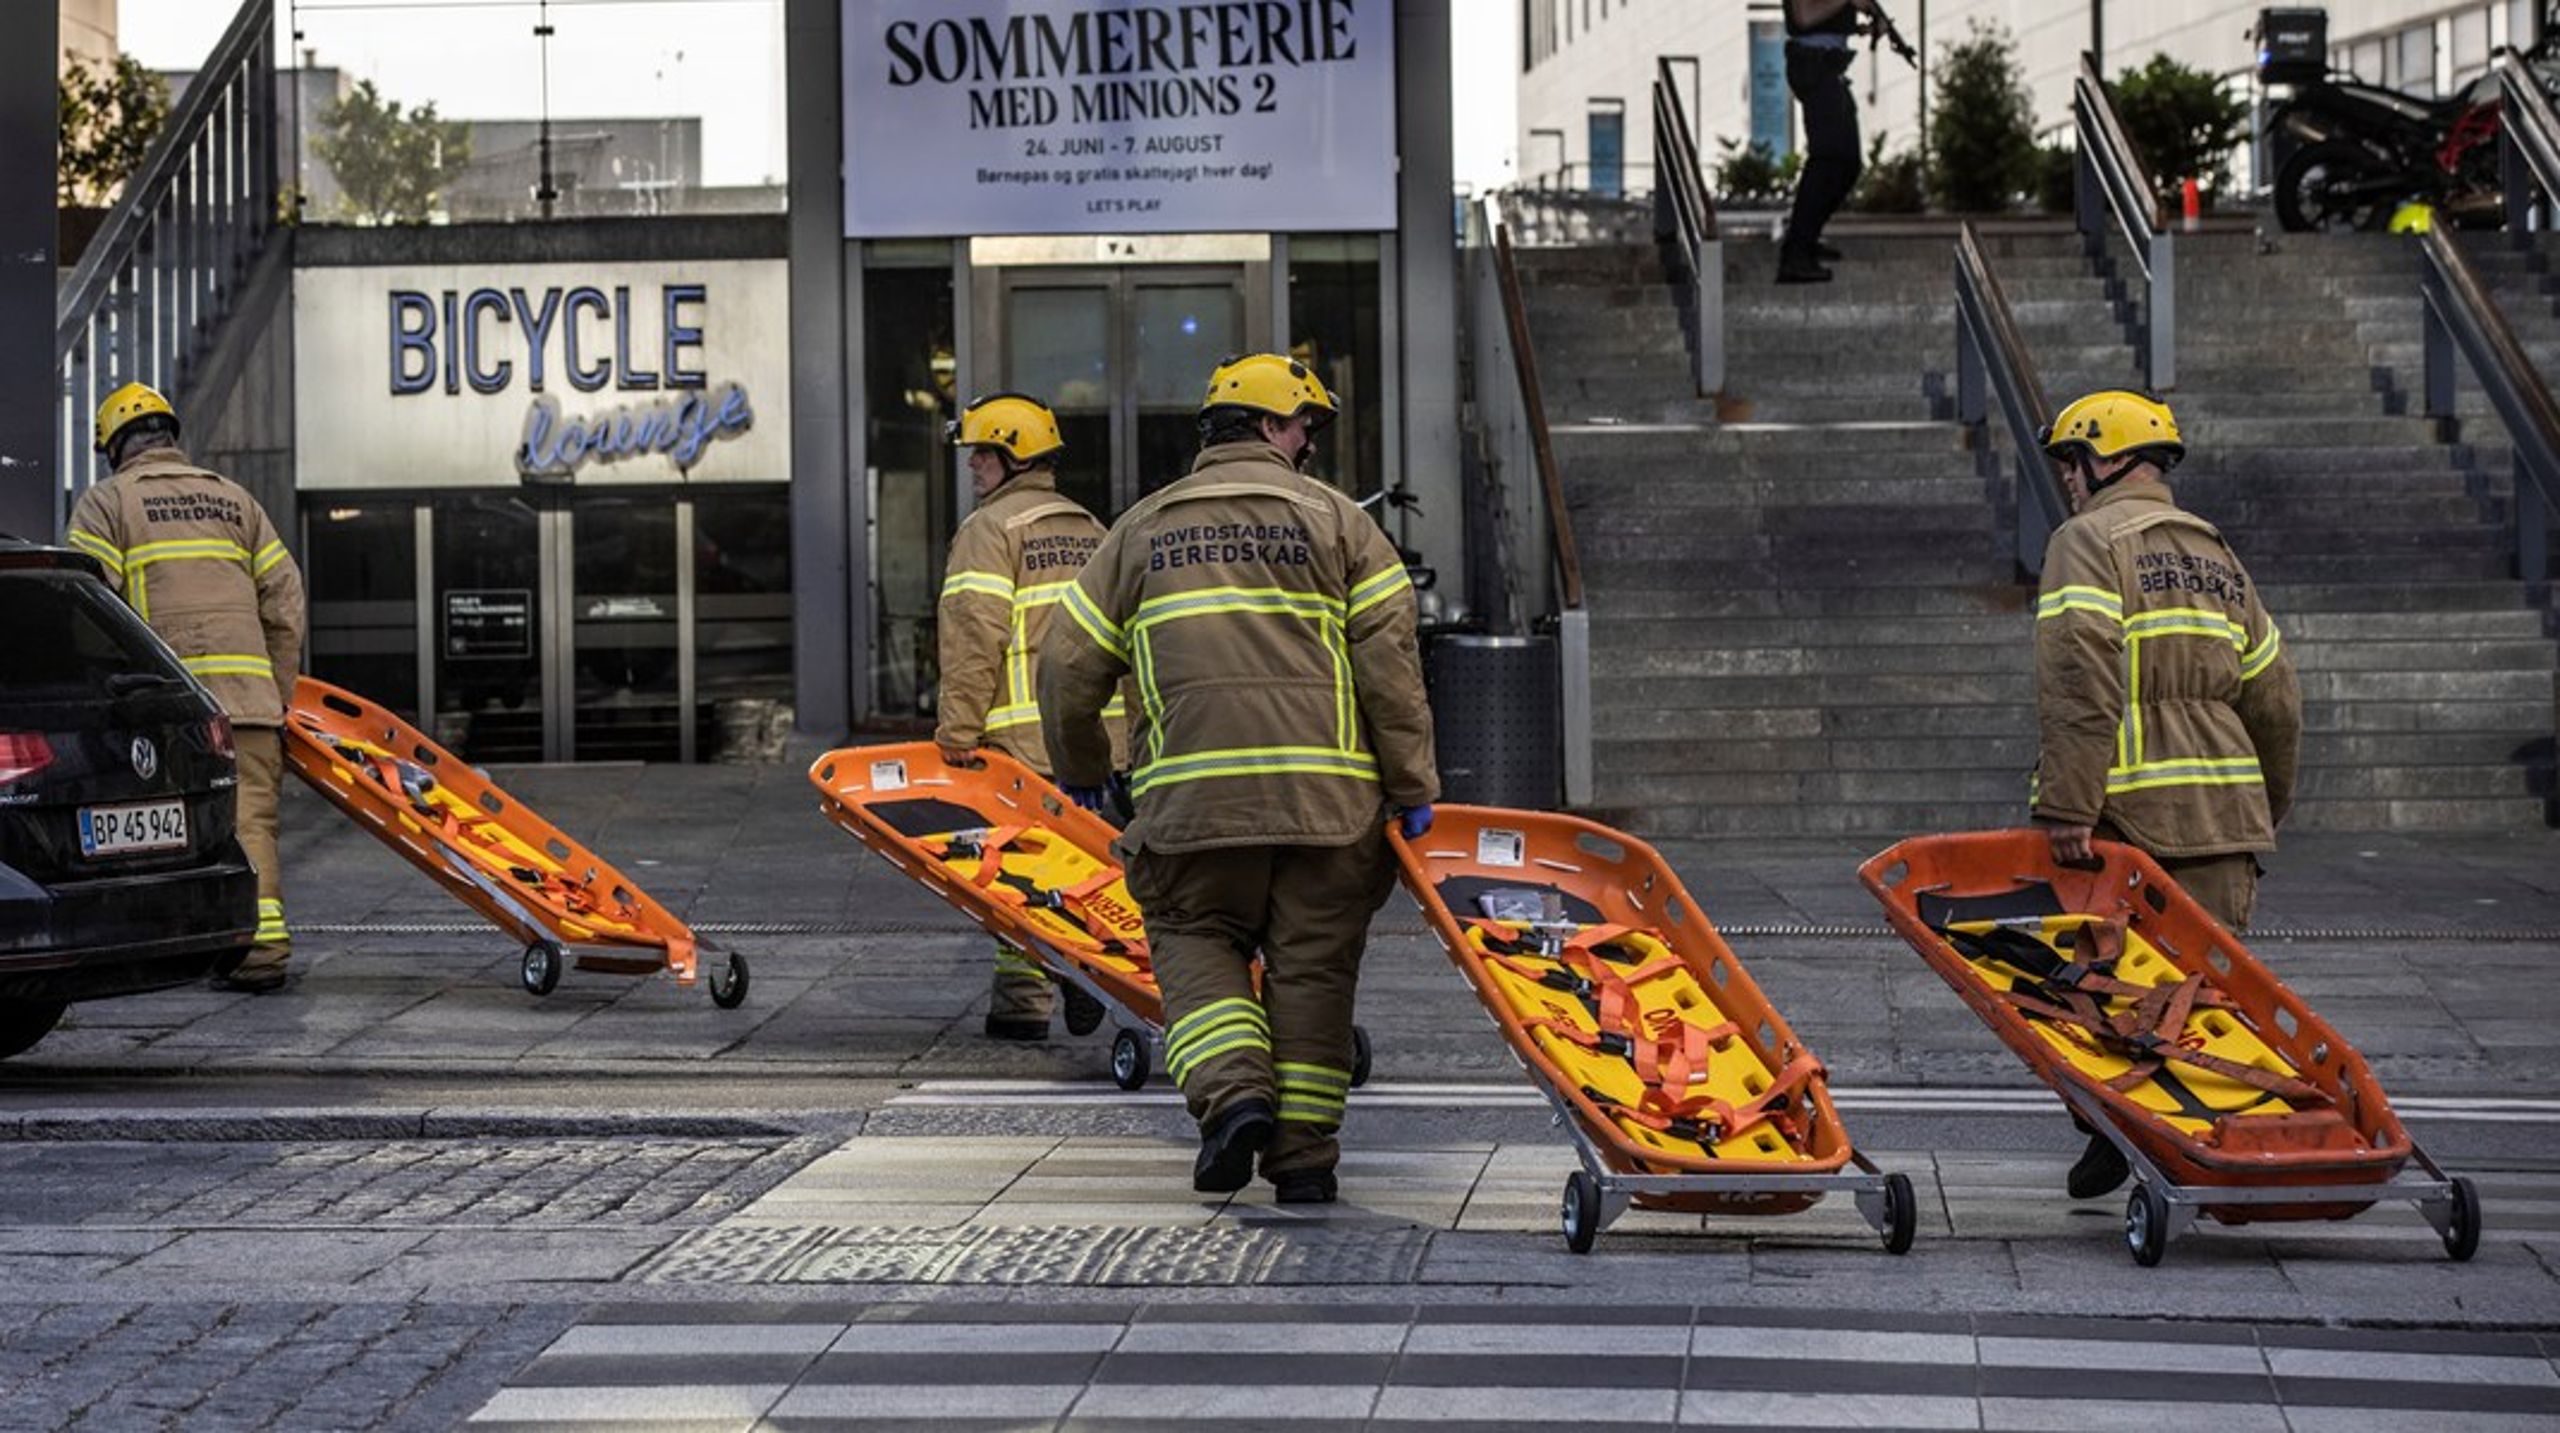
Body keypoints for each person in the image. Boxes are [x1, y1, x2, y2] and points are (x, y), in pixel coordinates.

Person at [1039, 354, 1437, 1205]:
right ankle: (1303, 1161)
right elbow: (1391, 668)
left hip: (1192, 812)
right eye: (1303, 427)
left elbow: (1067, 665)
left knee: (1192, 942)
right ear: (1266, 425)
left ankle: (1234, 1097)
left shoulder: (1139, 531)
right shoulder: (1341, 525)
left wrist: (1083, 770)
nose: (1309, 446)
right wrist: (1411, 787)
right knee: (1314, 973)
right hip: (1329, 814)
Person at [2030, 389, 2303, 1198]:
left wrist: (2071, 806)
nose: (2068, 481)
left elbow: (2081, 677)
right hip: (2225, 823)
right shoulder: (2216, 555)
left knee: (2088, 995)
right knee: (2202, 1004)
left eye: (2071, 462)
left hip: (2123, 823)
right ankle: (2199, 1145)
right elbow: (2276, 698)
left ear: (2103, 458)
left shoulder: (2085, 543)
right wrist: (2263, 805)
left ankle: (2118, 1131)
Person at [67, 382, 306, 994]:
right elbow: (285, 599)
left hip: (163, 712)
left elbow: (87, 607)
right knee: (250, 825)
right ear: (171, 436)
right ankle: (261, 953)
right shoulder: (236, 500)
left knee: (145, 828)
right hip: (247, 707)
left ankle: (147, 953)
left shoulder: (107, 502)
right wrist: (274, 692)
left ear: (114, 446)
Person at [935, 392, 1120, 1041]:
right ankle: (1057, 980)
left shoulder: (990, 531)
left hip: (1021, 744)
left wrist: (957, 732)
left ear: (1015, 454)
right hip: (1095, 744)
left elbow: (973, 637)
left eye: (983, 451)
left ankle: (1032, 995)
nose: (973, 464)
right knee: (1080, 873)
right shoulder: (1091, 528)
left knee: (1014, 876)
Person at [1778, 0, 1876, 284]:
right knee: (1827, 158)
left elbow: (1824, 21)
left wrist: (1859, 26)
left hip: (1829, 66)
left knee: (1848, 162)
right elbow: (1804, 17)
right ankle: (1796, 254)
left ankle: (1806, 239)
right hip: (1814, 64)